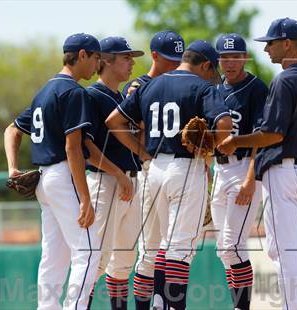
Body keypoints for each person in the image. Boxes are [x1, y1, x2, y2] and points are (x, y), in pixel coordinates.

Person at [105, 40, 233, 310]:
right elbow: (225, 124)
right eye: (213, 70)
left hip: (153, 170)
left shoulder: (151, 85)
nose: (213, 76)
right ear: (206, 64)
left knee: (151, 251)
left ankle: (156, 305)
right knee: (179, 249)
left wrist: (141, 152)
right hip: (185, 169)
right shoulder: (203, 87)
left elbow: (113, 121)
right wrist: (209, 145)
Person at [218, 18, 297, 309]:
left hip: (284, 174)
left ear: (286, 44)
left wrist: (235, 142)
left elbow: (273, 134)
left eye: (271, 43)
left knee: (284, 252)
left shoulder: (284, 80)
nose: (267, 49)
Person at [4, 33, 102, 310]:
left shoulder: (44, 92)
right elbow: (74, 149)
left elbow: (12, 129)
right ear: (82, 55)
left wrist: (13, 168)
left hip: (44, 181)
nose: (97, 65)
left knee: (54, 256)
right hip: (63, 175)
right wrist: (85, 196)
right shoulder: (73, 92)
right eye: (95, 58)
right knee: (89, 250)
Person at [122, 30, 186, 310]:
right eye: (170, 58)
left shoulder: (181, 85)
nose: (175, 64)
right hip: (147, 172)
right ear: (156, 56)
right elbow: (122, 125)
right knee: (149, 250)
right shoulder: (139, 86)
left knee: (171, 246)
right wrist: (144, 153)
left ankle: (163, 304)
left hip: (175, 171)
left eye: (179, 59)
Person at [83, 36, 145, 310]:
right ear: (105, 60)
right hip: (103, 181)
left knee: (123, 260)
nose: (132, 63)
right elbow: (84, 146)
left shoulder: (124, 98)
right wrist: (118, 174)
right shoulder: (91, 96)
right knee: (94, 259)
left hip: (130, 180)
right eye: (126, 57)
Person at [211, 33, 267, 310]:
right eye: (224, 57)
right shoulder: (215, 87)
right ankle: (237, 304)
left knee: (233, 245)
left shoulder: (257, 88)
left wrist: (251, 179)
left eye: (235, 56)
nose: (229, 62)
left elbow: (260, 137)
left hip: (244, 167)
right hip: (218, 170)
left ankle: (242, 307)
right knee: (224, 250)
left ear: (245, 57)